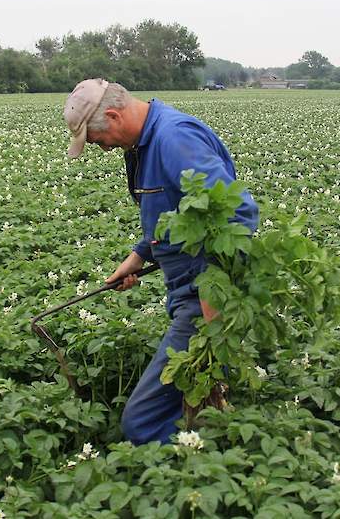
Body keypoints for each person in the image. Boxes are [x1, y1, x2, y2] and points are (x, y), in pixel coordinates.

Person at [63, 78, 258, 445]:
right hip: (187, 292)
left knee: (142, 422)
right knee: (198, 401)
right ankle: (213, 444)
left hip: (205, 298)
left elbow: (237, 215)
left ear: (112, 116)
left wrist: (213, 293)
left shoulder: (174, 140)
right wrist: (140, 255)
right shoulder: (142, 146)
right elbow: (174, 213)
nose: (100, 148)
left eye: (95, 139)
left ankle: (196, 471)